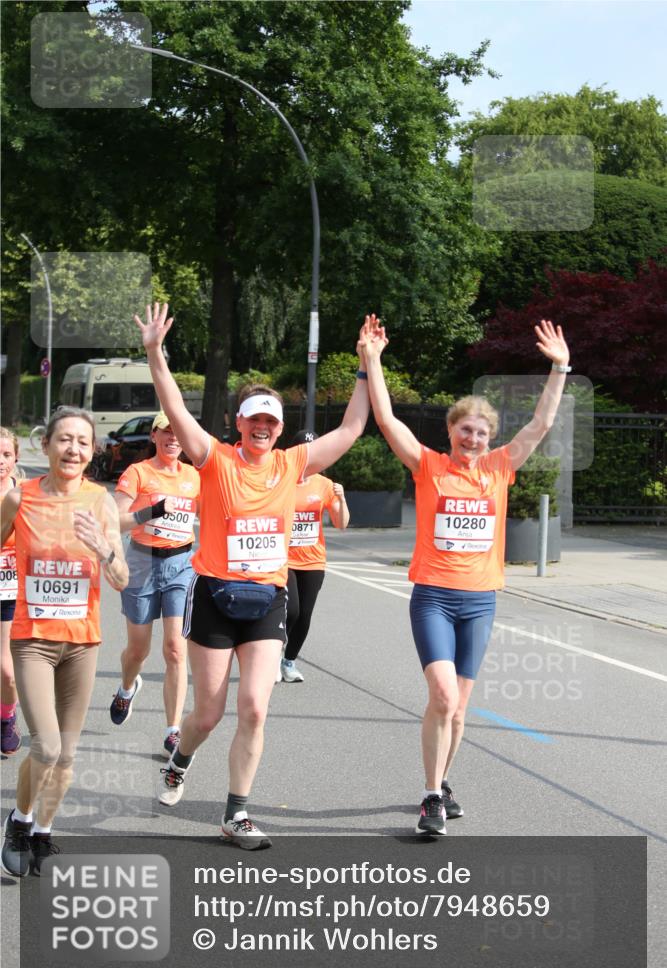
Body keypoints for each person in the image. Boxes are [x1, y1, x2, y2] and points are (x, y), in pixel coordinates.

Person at [135, 302, 373, 849]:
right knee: (210, 713)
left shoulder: (293, 465)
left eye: (271, 422)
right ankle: (182, 757)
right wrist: (154, 351)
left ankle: (236, 813)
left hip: (266, 598)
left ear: (280, 429)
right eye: (254, 420)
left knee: (256, 707)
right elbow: (173, 404)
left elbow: (354, 426)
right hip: (215, 596)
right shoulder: (213, 458)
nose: (263, 429)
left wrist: (366, 364)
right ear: (239, 424)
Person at [361, 319, 571, 836]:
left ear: (489, 439)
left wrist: (561, 367)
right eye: (465, 430)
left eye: (481, 432)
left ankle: (443, 781)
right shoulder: (429, 466)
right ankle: (431, 797)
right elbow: (386, 420)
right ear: (450, 432)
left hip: (481, 601)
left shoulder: (500, 468)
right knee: (443, 698)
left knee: (459, 712)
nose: (473, 438)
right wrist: (373, 360)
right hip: (433, 596)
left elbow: (540, 425)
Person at [0, 408, 128, 877]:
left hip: (81, 643)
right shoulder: (20, 498)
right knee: (48, 748)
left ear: (91, 451)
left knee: (68, 754)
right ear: (47, 445)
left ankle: (43, 831)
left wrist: (105, 549)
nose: (73, 449)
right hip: (32, 638)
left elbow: (120, 578)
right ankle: (20, 819)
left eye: (82, 442)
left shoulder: (101, 502)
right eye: (64, 440)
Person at [109, 412, 200, 758]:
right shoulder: (138, 473)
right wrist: (150, 512)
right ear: (154, 436)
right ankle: (127, 687)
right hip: (142, 562)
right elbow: (114, 520)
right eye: (165, 432)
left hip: (181, 564)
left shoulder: (195, 477)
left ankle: (173, 730)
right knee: (138, 650)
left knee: (176, 648)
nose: (173, 438)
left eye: (178, 432)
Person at [279, 430, 349, 683]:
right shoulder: (281, 480)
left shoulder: (325, 484)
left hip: (313, 559)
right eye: (304, 450)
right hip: (284, 558)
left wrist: (341, 499)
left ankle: (289, 661)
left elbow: (341, 523)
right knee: (291, 610)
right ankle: (273, 655)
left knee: (305, 614)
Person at [1, 428, 22, 755]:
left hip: (10, 587)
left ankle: (6, 717)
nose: (1, 461)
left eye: (6, 455)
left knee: (6, 668)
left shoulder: (22, 495)